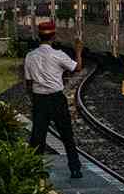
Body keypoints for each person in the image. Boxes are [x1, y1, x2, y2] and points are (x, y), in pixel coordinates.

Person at [24, 19, 83, 179]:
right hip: (57, 99)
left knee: (37, 136)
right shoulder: (58, 55)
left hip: (39, 99)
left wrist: (34, 98)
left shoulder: (30, 57)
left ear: (38, 36)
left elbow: (28, 83)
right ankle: (75, 168)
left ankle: (33, 169)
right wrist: (78, 51)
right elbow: (77, 68)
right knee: (66, 135)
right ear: (53, 36)